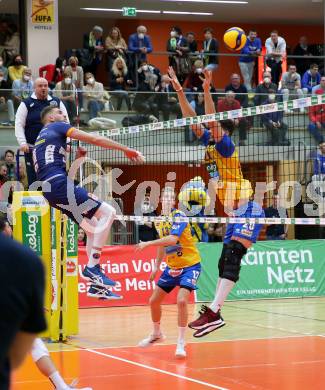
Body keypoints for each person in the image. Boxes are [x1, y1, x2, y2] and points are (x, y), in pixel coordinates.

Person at [33, 106, 144, 299]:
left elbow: (51, 167)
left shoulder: (41, 139)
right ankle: (92, 268)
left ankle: (95, 286)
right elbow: (95, 139)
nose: (63, 114)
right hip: (59, 184)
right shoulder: (58, 126)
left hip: (50, 191)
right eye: (59, 112)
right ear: (51, 117)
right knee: (108, 212)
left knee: (93, 225)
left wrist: (77, 157)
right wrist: (126, 149)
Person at [168, 67, 251, 212]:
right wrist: (180, 91)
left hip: (240, 197)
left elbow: (212, 121)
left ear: (225, 132)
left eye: (216, 129)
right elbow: (192, 121)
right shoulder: (210, 140)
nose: (211, 131)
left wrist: (207, 90)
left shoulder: (225, 145)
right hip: (227, 199)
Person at [188, 192, 264, 337]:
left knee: (234, 255)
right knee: (223, 262)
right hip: (237, 210)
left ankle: (214, 311)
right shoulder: (230, 198)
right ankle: (215, 316)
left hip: (248, 209)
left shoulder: (251, 205)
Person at [137, 187, 201, 357]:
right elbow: (164, 245)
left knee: (181, 301)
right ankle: (156, 334)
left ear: (173, 202)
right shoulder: (159, 220)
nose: (165, 199)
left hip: (190, 265)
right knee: (154, 301)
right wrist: (156, 267)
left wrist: (147, 243)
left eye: (169, 197)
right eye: (163, 197)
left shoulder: (179, 216)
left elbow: (173, 239)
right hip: (172, 267)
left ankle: (181, 342)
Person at [0, 233, 46, 389]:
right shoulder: (24, 260)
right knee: (35, 344)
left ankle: (61, 384)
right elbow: (16, 357)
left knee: (37, 345)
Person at [15, 77, 69, 186]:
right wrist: (22, 143)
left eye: (45, 85)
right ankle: (35, 202)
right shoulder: (26, 103)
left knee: (54, 178)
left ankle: (54, 202)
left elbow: (66, 122)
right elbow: (19, 124)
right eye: (40, 86)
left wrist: (67, 142)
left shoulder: (57, 102)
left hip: (54, 150)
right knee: (34, 180)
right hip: (32, 149)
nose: (43, 88)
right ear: (34, 88)